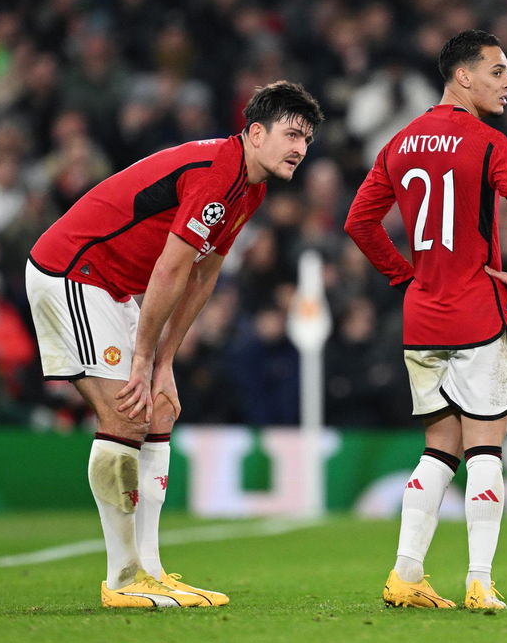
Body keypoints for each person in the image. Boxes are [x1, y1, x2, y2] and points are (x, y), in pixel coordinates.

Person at [25, 80, 324, 608]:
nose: (300, 148)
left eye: (308, 139)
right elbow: (170, 267)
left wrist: (164, 364)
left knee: (158, 407)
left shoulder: (249, 187)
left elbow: (204, 273)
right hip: (73, 270)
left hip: (113, 287)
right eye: (291, 134)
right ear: (255, 132)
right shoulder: (218, 173)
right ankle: (121, 579)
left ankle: (152, 569)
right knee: (126, 412)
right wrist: (142, 360)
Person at [345, 30, 507, 611]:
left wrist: (403, 275)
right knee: (485, 448)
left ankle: (406, 573)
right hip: (480, 311)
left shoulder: (398, 143)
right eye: (498, 71)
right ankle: (479, 579)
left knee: (439, 448)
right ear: (464, 76)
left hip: (422, 317)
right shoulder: (489, 143)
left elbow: (360, 222)